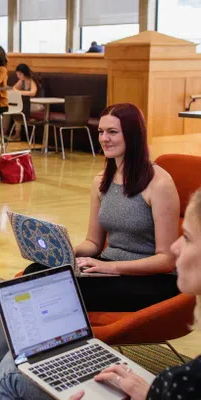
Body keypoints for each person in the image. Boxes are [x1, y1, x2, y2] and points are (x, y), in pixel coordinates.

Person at [0, 183, 201, 400]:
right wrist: (150, 391)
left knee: (14, 368)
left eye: (187, 238)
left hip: (136, 281)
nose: (176, 248)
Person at [25, 103, 181, 312]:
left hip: (153, 279)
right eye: (101, 132)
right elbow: (93, 243)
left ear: (133, 135)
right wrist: (64, 254)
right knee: (34, 271)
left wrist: (110, 267)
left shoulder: (160, 183)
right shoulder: (101, 181)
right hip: (109, 266)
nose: (104, 138)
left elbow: (166, 261)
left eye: (112, 132)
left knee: (59, 289)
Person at [7, 64, 43, 141]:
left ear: (25, 73)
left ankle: (17, 135)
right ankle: (8, 134)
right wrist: (17, 91)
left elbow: (33, 93)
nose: (18, 76)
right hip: (26, 105)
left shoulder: (31, 80)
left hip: (36, 105)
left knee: (19, 109)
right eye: (17, 74)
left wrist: (19, 92)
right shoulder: (22, 81)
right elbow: (14, 88)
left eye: (20, 74)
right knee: (14, 108)